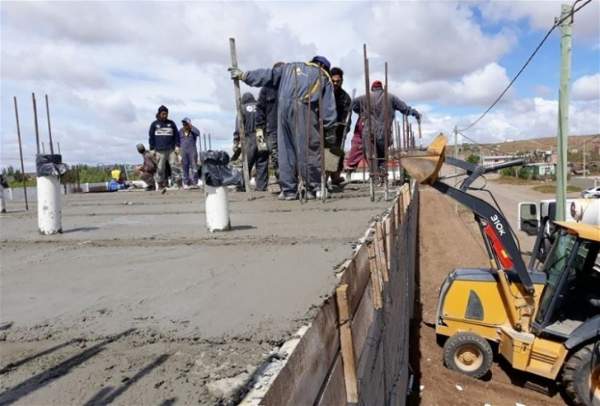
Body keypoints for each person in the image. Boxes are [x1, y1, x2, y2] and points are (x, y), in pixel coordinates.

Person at [229, 56, 337, 200]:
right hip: (305, 108)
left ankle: (289, 190)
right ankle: (313, 187)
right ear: (325, 67)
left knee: (286, 151)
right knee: (309, 149)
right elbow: (329, 107)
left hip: (283, 109)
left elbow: (268, 74)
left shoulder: (288, 67)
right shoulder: (323, 75)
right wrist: (330, 128)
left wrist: (244, 75)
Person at [352, 81, 420, 182]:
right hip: (385, 132)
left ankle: (374, 179)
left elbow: (353, 105)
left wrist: (362, 112)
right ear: (382, 88)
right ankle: (383, 178)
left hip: (369, 131)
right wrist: (415, 113)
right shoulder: (391, 97)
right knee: (382, 157)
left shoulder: (364, 97)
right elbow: (405, 109)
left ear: (372, 88)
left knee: (371, 156)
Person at [233, 92, 269, 191]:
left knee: (246, 163)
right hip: (261, 136)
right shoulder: (260, 106)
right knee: (262, 162)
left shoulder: (243, 108)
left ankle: (242, 186)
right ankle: (261, 186)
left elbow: (239, 127)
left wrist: (236, 141)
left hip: (249, 138)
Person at [256, 62, 284, 183]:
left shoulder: (291, 87)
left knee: (291, 157)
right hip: (273, 129)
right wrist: (260, 136)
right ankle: (283, 184)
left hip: (290, 130)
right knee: (276, 157)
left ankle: (291, 184)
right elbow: (260, 111)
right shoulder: (266, 89)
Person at [327, 67, 352, 186]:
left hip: (338, 131)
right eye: (333, 81)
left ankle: (335, 177)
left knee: (337, 154)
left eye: (338, 81)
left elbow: (348, 117)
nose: (335, 83)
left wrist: (345, 129)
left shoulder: (345, 97)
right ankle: (324, 179)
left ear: (342, 81)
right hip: (325, 130)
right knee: (325, 154)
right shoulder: (324, 94)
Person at [148, 105, 180, 190]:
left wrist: (177, 146)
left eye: (166, 114)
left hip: (171, 150)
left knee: (174, 166)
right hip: (159, 150)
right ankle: (160, 184)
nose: (165, 115)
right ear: (159, 114)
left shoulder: (171, 123)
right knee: (160, 168)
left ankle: (176, 183)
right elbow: (151, 137)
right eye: (163, 114)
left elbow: (177, 135)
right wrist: (152, 149)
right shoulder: (154, 124)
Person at [179, 117, 200, 189]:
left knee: (194, 167)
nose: (184, 125)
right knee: (185, 167)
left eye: (186, 123)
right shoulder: (180, 131)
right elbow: (177, 141)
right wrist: (178, 153)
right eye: (183, 123)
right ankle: (186, 183)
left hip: (192, 151)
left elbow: (198, 133)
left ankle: (195, 183)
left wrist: (191, 127)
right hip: (183, 152)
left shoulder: (193, 131)